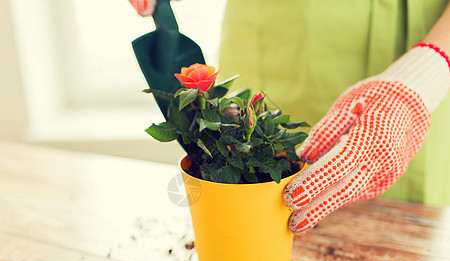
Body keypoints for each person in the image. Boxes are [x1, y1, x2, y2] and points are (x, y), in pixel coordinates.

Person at [129, 0, 450, 235]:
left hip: (428, 55)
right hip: (278, 41)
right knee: (249, 192)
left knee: (398, 239)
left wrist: (423, 74)